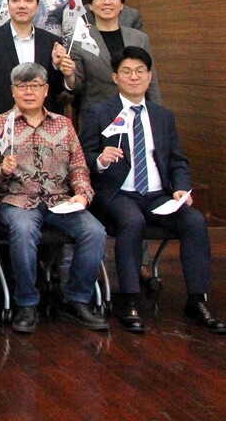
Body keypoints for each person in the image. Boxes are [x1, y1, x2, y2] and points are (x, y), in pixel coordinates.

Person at [79, 47, 225, 335]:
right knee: (132, 221)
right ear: (115, 78)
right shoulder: (99, 112)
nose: (133, 77)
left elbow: (178, 160)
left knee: (195, 221)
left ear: (149, 77)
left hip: (158, 196)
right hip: (117, 194)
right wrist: (100, 159)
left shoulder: (162, 116)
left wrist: (181, 189)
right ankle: (130, 299)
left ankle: (198, 300)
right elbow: (82, 155)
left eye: (140, 72)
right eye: (126, 72)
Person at [0, 62, 108, 333]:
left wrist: (83, 195)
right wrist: (0, 169)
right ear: (12, 91)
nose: (29, 92)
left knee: (95, 231)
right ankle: (26, 302)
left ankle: (76, 299)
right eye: (22, 86)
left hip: (60, 200)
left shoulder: (64, 125)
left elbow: (79, 167)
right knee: (24, 230)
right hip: (17, 200)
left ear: (46, 90)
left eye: (35, 86)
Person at [0, 0, 73, 130]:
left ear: (37, 6)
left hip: (44, 125)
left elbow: (57, 91)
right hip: (2, 124)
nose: (21, 5)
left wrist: (57, 66)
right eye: (15, 0)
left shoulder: (52, 42)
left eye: (28, 0)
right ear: (8, 5)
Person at [69, 0, 160, 112]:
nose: (107, 2)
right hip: (97, 115)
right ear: (91, 6)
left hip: (136, 112)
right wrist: (69, 75)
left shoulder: (139, 38)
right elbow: (77, 87)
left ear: (121, 4)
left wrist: (156, 113)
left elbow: (151, 82)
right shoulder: (80, 41)